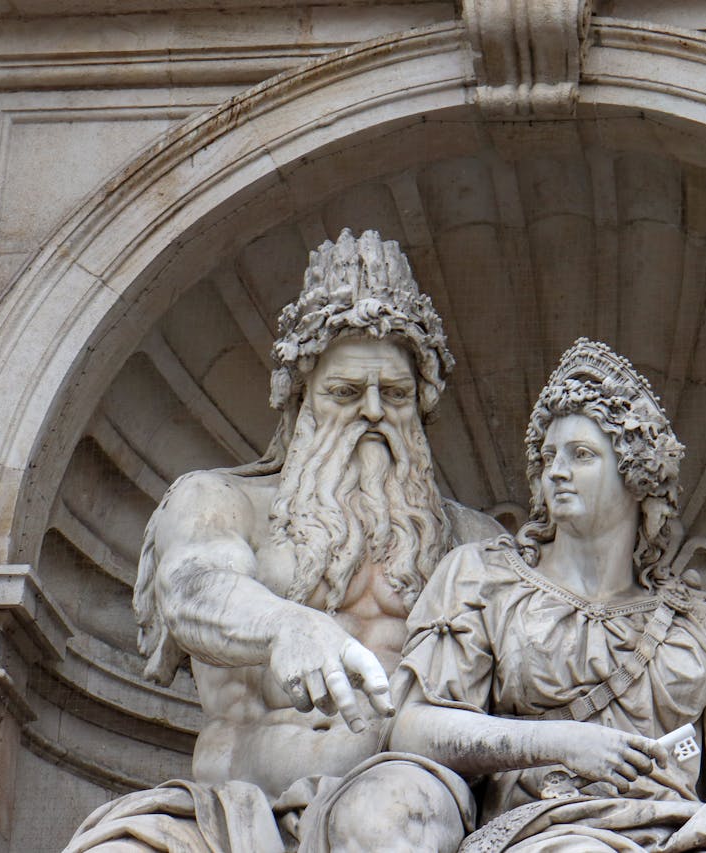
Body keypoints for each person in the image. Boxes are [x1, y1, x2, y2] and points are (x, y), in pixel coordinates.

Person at [66, 230, 501, 852]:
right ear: (298, 402)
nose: (373, 412)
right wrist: (285, 626)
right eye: (346, 393)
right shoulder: (221, 501)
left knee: (394, 822)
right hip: (234, 811)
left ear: (423, 406)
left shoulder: (472, 542)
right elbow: (192, 589)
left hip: (406, 803)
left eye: (396, 395)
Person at [388, 338, 706, 852]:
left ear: (636, 472)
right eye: (548, 456)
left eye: (581, 455)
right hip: (551, 827)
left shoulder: (694, 620)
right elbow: (411, 728)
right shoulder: (486, 578)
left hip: (689, 829)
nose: (555, 471)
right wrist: (557, 742)